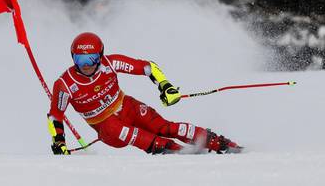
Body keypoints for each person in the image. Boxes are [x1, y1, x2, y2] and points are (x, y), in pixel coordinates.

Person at [48, 32, 241, 155]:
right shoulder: (65, 84)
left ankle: (222, 144)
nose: (87, 65)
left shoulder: (111, 63)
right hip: (105, 127)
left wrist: (166, 86)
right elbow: (55, 115)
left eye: (91, 59)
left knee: (164, 127)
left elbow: (149, 68)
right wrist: (59, 143)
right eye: (80, 60)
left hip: (126, 106)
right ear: (72, 57)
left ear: (100, 56)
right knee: (117, 128)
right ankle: (174, 151)